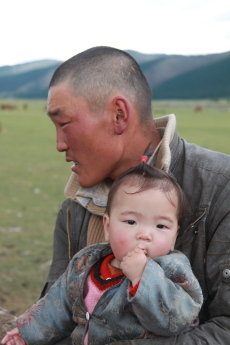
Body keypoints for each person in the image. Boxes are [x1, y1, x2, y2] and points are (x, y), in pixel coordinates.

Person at [5, 46, 230, 344]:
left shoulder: (220, 188)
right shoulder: (74, 208)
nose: (59, 144)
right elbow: (57, 313)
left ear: (119, 115)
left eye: (64, 124)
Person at [1, 164, 203, 345]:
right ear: (107, 226)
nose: (145, 234)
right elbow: (58, 304)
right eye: (131, 222)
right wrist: (26, 334)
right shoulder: (87, 262)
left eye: (161, 226)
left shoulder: (173, 270)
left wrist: (144, 278)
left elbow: (178, 319)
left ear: (175, 236)